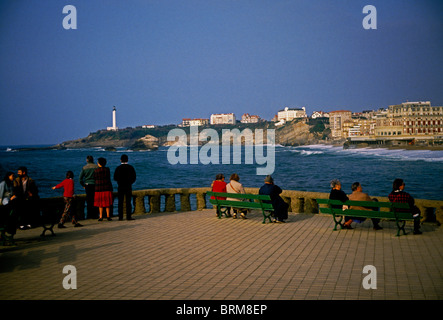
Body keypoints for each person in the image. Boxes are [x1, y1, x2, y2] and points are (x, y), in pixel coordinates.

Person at [114, 154, 136, 221]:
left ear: (120, 160)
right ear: (127, 160)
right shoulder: (130, 167)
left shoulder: (118, 168)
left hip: (120, 186)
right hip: (128, 186)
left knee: (120, 202)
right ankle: (128, 216)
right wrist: (130, 182)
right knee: (128, 202)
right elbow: (134, 177)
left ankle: (120, 217)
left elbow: (115, 178)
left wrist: (119, 182)